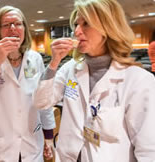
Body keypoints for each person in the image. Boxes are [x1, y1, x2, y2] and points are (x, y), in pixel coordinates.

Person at [33, 0, 155, 161]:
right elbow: (42, 102)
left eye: (86, 24)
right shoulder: (70, 69)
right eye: (76, 24)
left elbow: (148, 150)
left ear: (108, 28)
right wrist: (54, 63)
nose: (77, 31)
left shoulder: (138, 80)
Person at [0, 5, 56, 162]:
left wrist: (49, 137)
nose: (12, 28)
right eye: (6, 25)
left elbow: (44, 100)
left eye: (17, 23)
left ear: (24, 28)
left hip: (31, 145)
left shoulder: (35, 58)